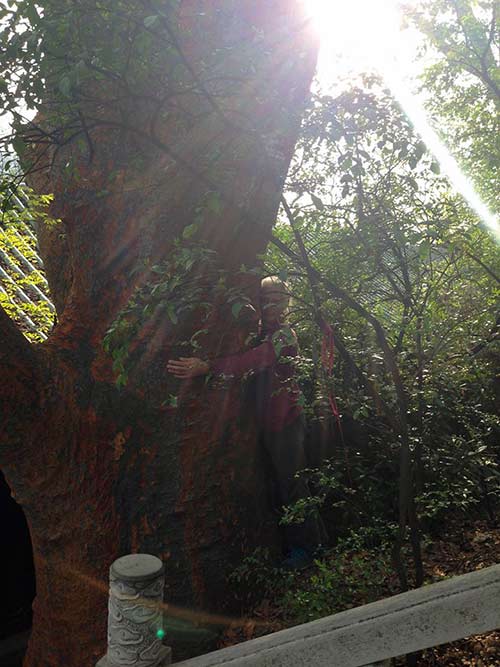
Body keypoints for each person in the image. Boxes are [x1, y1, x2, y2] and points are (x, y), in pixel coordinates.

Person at [167, 277, 326, 568]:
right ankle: (302, 544)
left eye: (277, 299)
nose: (270, 305)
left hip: (286, 423)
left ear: (287, 302)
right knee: (280, 484)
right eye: (264, 299)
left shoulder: (284, 336)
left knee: (292, 485)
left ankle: (308, 551)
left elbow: (252, 361)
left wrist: (207, 367)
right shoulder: (259, 332)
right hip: (266, 424)